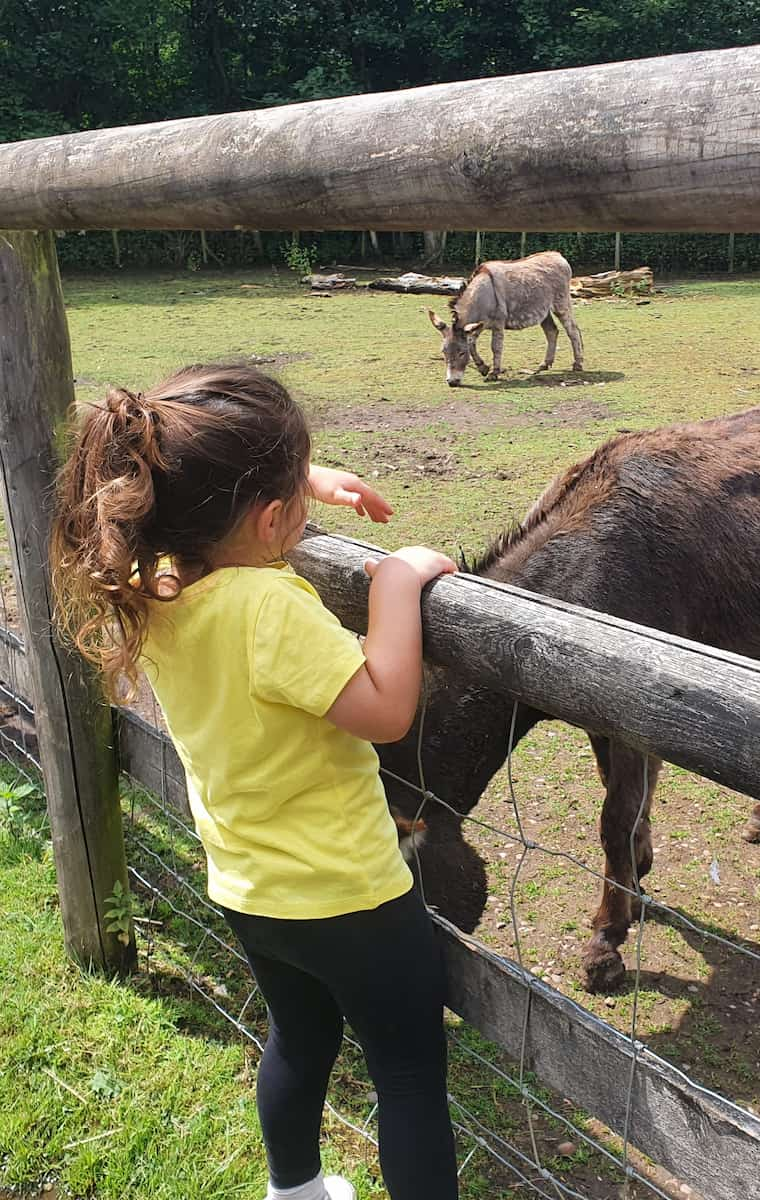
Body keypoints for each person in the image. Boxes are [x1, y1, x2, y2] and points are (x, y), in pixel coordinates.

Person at [50, 364, 460, 1200]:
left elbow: (186, 507)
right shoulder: (270, 608)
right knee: (409, 1076)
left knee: (298, 1041)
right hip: (351, 895)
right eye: (294, 504)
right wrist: (394, 581)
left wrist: (295, 477)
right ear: (270, 518)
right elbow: (384, 711)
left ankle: (296, 1191)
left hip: (250, 889)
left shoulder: (153, 582)